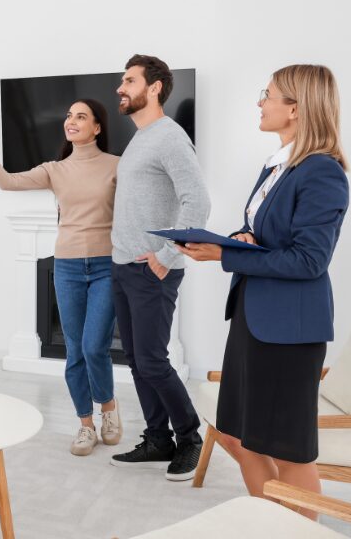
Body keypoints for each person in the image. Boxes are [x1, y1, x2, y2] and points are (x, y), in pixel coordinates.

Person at [178, 64, 348, 519]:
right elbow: (265, 234)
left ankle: (297, 529)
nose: (260, 102)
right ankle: (274, 522)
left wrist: (227, 257)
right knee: (236, 434)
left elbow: (310, 260)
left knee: (290, 452)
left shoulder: (322, 172)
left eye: (267, 94)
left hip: (288, 333)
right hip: (254, 320)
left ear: (295, 108)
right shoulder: (279, 167)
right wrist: (236, 240)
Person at [0, 99, 122, 456]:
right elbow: (6, 182)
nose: (71, 121)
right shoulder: (54, 170)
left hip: (107, 265)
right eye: (68, 115)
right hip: (68, 267)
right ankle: (85, 425)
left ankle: (108, 407)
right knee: (75, 350)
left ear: (97, 127)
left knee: (94, 346)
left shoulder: (117, 166)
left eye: (80, 116)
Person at [108, 54, 211, 481]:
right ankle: (157, 439)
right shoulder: (140, 137)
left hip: (152, 270)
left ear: (154, 88)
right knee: (136, 359)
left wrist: (167, 257)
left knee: (152, 361)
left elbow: (198, 202)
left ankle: (190, 439)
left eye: (129, 80)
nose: (120, 88)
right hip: (123, 266)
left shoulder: (169, 137)